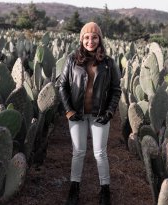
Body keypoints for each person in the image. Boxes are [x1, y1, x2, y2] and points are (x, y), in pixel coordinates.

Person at [58, 22, 122, 205]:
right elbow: (62, 85)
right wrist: (69, 110)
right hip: (77, 114)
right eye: (86, 37)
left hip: (99, 114)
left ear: (100, 39)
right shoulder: (72, 60)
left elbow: (116, 90)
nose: (90, 41)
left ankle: (105, 191)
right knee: (78, 152)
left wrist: (109, 112)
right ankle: (74, 189)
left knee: (100, 153)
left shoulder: (109, 63)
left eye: (94, 37)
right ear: (81, 39)